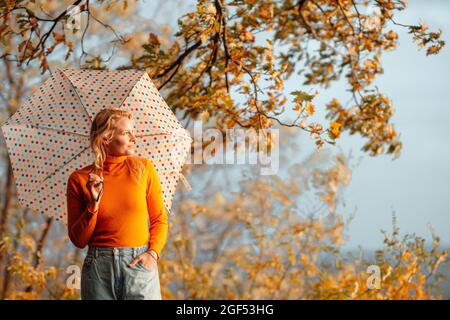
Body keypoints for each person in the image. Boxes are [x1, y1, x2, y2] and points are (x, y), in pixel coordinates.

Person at [66, 108, 168, 300]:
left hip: (139, 263)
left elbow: (159, 219)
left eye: (132, 131)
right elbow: (79, 240)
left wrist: (153, 253)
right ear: (106, 138)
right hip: (98, 269)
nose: (133, 138)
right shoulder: (79, 180)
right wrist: (92, 205)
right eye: (126, 133)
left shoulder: (144, 168)